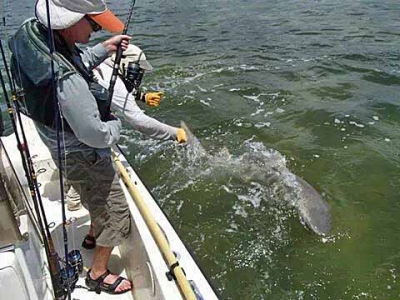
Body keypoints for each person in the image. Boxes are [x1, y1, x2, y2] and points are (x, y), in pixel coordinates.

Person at [9, 0, 133, 294]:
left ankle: (91, 233)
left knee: (90, 193)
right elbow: (95, 134)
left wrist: (105, 48)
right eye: (93, 23)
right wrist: (116, 126)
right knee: (116, 211)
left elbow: (73, 60)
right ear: (68, 24)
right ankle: (98, 273)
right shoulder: (68, 82)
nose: (99, 28)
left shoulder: (36, 35)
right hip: (81, 151)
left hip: (57, 144)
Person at [67, 44, 188, 249]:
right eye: (135, 69)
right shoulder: (109, 76)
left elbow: (115, 89)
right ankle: (94, 241)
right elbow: (139, 122)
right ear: (123, 64)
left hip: (69, 134)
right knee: (103, 195)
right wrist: (175, 134)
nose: (137, 74)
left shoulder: (101, 63)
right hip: (86, 142)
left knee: (82, 177)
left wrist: (141, 96)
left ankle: (74, 201)